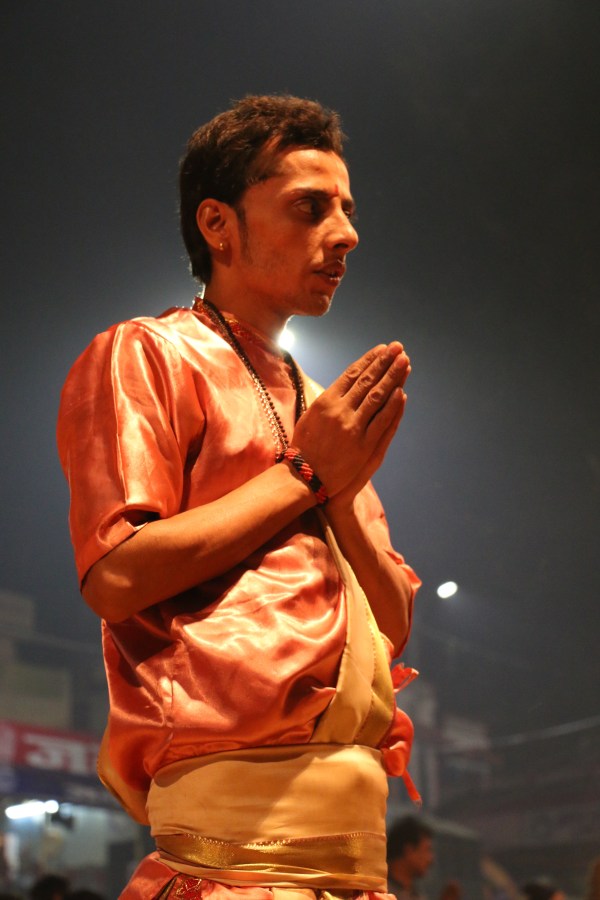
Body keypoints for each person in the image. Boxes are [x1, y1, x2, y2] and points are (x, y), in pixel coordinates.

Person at [57, 94, 422, 900]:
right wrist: (304, 476)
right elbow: (115, 575)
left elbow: (390, 626)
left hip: (359, 870)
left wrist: (337, 488)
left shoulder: (322, 404)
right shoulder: (146, 353)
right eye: (310, 207)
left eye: (348, 209)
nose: (347, 233)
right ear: (218, 224)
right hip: (232, 866)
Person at [386, 817, 461, 900]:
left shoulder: (415, 894)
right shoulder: (379, 892)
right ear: (409, 850)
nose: (431, 859)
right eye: (427, 850)